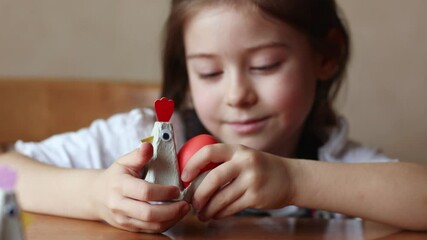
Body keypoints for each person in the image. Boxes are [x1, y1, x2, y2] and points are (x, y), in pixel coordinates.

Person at [0, 0, 426, 233]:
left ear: (325, 56)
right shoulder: (144, 141)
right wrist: (94, 194)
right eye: (209, 72)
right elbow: (4, 175)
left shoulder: (335, 163)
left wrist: (296, 180)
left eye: (264, 66)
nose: (237, 95)